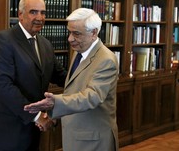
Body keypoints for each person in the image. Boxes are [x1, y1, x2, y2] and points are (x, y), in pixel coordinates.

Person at [0, 0, 67, 151]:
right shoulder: (3, 40)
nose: (39, 17)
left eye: (43, 12)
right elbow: (3, 86)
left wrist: (87, 79)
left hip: (31, 133)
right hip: (3, 133)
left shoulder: (45, 44)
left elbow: (61, 76)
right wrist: (37, 116)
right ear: (20, 14)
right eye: (33, 12)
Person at [24, 8, 119, 151]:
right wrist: (53, 116)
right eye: (70, 32)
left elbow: (91, 97)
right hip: (78, 137)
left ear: (93, 33)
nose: (70, 39)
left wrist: (55, 103)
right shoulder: (80, 52)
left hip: (93, 141)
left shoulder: (106, 60)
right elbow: (74, 91)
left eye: (76, 33)